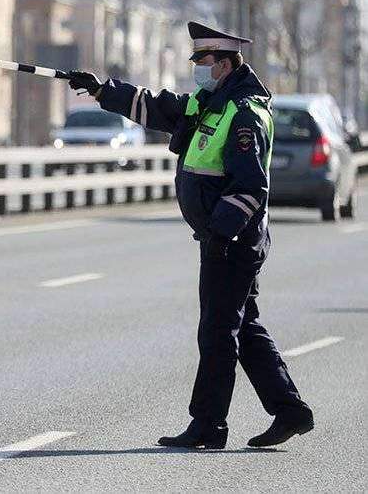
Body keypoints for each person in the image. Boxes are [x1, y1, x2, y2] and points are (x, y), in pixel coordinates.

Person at [66, 22, 314, 449]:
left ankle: (209, 424)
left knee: (217, 332)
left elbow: (250, 187)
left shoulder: (243, 114)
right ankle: (289, 410)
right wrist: (103, 90)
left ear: (225, 64)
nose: (197, 67)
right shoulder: (210, 102)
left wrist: (222, 234)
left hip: (233, 242)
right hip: (221, 238)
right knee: (241, 326)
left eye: (203, 60)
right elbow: (160, 107)